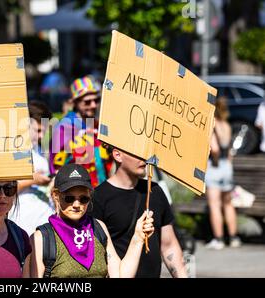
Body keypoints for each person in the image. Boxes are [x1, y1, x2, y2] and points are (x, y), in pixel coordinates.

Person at [28, 163, 154, 278]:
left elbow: (120, 275)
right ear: (56, 196)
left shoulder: (98, 227)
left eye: (83, 199)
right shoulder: (41, 238)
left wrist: (138, 238)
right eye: (69, 198)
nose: (76, 204)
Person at [89, 146, 188, 278]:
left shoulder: (155, 191)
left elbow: (169, 245)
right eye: (137, 153)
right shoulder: (99, 197)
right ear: (118, 155)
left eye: (146, 153)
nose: (144, 158)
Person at [50, 75, 113, 188]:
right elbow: (56, 168)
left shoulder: (98, 126)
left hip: (101, 190)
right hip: (76, 193)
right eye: (87, 102)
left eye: (96, 100)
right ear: (74, 102)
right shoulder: (64, 128)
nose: (93, 105)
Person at [8, 101, 55, 236]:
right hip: (22, 222)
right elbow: (5, 189)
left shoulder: (38, 150)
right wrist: (33, 180)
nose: (41, 136)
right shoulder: (14, 151)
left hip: (43, 220)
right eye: (38, 130)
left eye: (44, 131)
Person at [205, 96, 241, 250]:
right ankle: (233, 238)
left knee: (214, 205)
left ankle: (218, 239)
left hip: (215, 166)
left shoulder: (212, 124)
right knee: (228, 204)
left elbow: (215, 148)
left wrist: (213, 158)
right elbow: (229, 151)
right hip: (227, 167)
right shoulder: (226, 125)